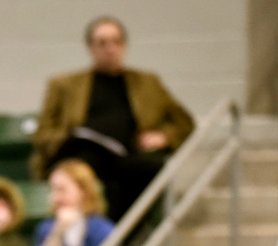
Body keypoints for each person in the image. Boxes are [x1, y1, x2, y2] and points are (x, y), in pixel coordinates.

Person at [32, 16, 194, 223]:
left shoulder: (148, 83)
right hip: (81, 151)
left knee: (151, 168)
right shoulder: (64, 85)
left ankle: (121, 239)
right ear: (90, 48)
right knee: (85, 168)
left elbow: (185, 123)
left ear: (124, 46)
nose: (110, 48)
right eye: (102, 43)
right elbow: (43, 132)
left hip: (126, 155)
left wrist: (163, 137)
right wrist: (66, 138)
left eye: (116, 41)